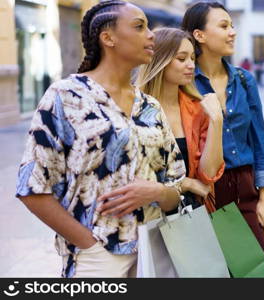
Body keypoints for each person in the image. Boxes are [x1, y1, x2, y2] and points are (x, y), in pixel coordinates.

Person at [15, 0, 185, 278]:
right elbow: (32, 187)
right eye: (139, 27)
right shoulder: (65, 96)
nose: (151, 34)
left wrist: (157, 192)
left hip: (154, 253)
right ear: (108, 38)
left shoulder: (151, 107)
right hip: (97, 257)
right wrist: (89, 245)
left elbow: (176, 184)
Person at [182, 1, 264, 277]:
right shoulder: (185, 85)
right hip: (207, 193)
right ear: (199, 35)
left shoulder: (245, 81)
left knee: (261, 275)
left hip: (247, 189)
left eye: (232, 26)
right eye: (223, 26)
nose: (232, 32)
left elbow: (259, 140)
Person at [137, 27, 225, 212]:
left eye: (192, 58)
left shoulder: (198, 109)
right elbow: (132, 172)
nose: (191, 65)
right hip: (144, 214)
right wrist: (185, 183)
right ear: (160, 60)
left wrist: (216, 121)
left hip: (189, 215)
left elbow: (208, 176)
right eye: (182, 58)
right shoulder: (133, 108)